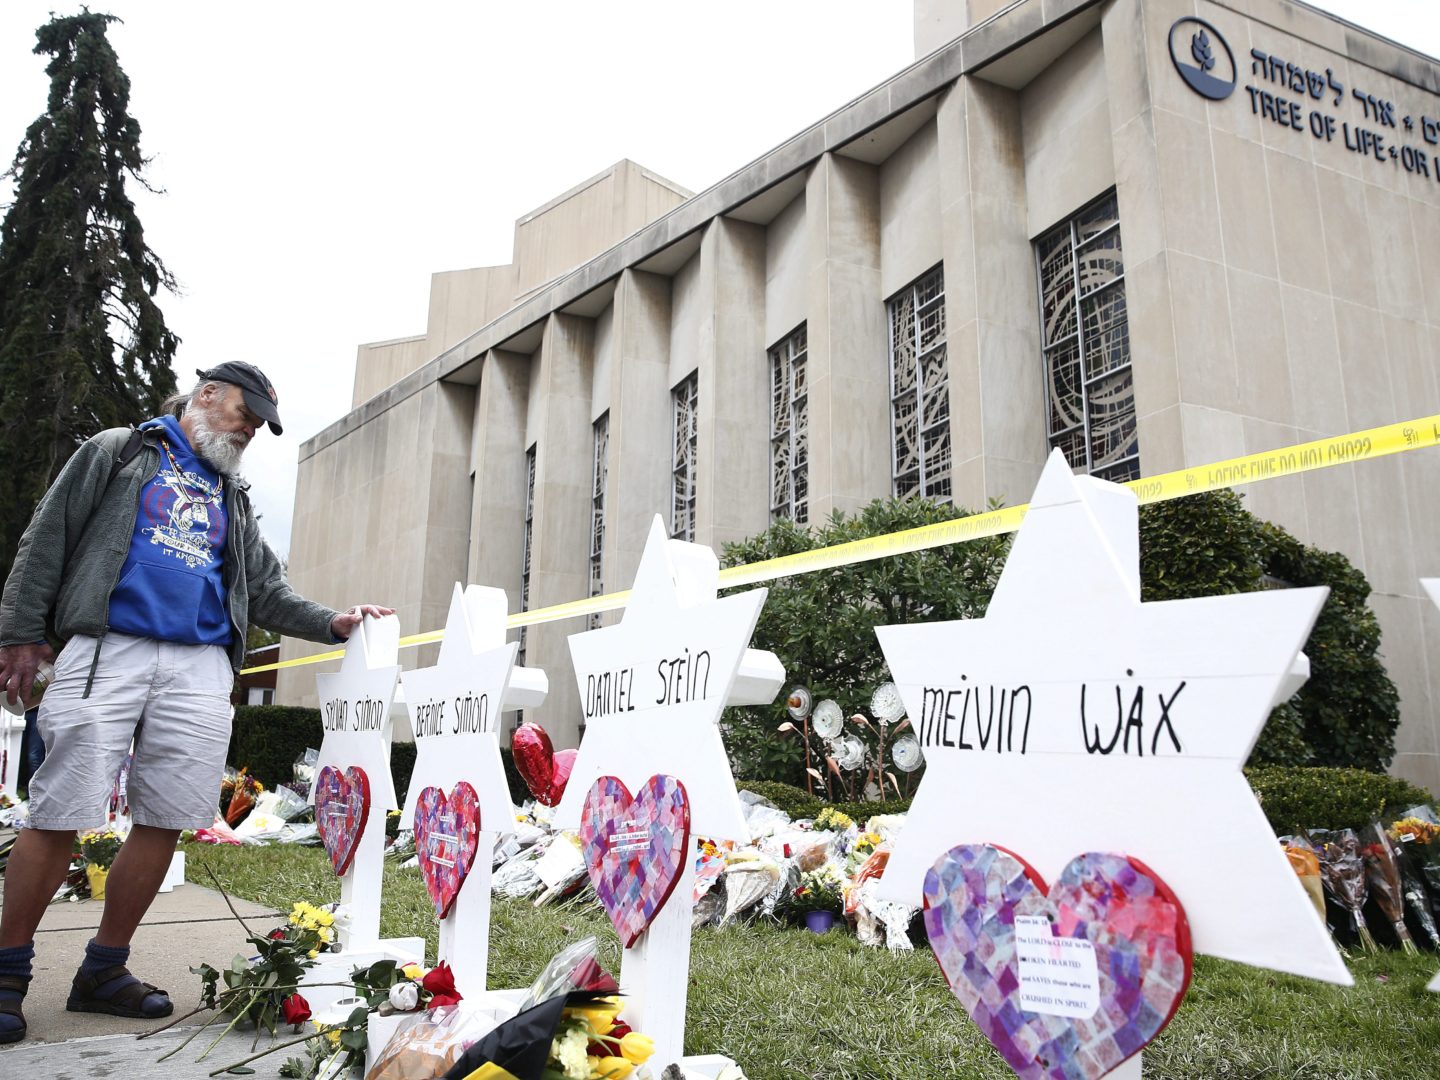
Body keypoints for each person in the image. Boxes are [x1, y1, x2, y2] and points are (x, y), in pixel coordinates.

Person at [0, 362, 392, 1044]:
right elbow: (48, 536)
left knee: (166, 817)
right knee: (61, 809)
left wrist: (334, 622)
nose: (249, 431)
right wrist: (22, 633)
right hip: (107, 646)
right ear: (207, 394)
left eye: (260, 426)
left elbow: (266, 592)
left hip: (202, 666)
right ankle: (7, 973)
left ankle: (104, 969)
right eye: (246, 413)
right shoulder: (121, 451)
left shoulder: (232, 499)